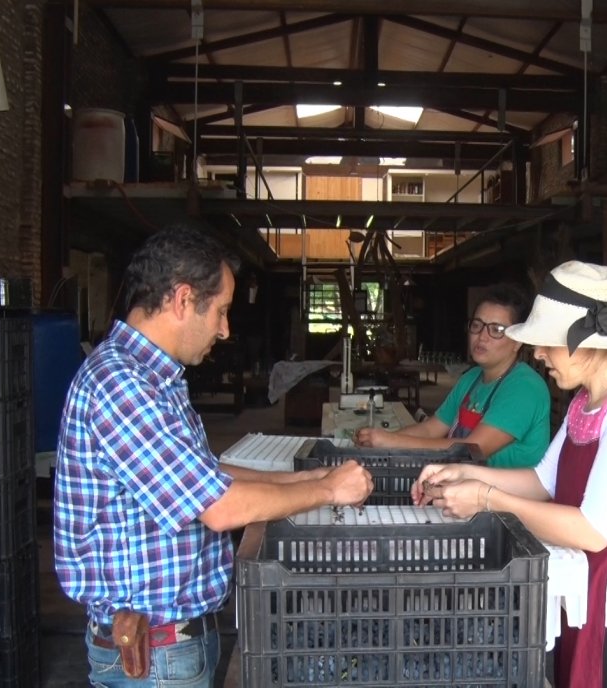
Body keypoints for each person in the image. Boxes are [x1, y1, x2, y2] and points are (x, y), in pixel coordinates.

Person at [54, 223, 373, 687]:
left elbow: (204, 476)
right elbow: (218, 507)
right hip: (156, 655)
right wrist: (327, 490)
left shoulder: (153, 378)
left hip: (172, 643)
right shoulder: (122, 386)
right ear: (183, 299)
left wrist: (308, 480)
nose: (225, 330)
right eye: (221, 311)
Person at [411, 261, 607, 688]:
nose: (537, 354)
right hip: (576, 593)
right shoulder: (586, 403)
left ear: (591, 343)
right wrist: (458, 470)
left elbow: (592, 530)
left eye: (548, 344)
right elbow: (543, 482)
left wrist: (486, 497)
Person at [354, 283, 550, 468]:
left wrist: (393, 442)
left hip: (503, 500)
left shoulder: (525, 387)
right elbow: (431, 429)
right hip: (465, 488)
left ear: (517, 341)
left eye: (496, 330)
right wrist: (380, 441)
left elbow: (472, 449)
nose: (482, 336)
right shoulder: (471, 378)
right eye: (477, 325)